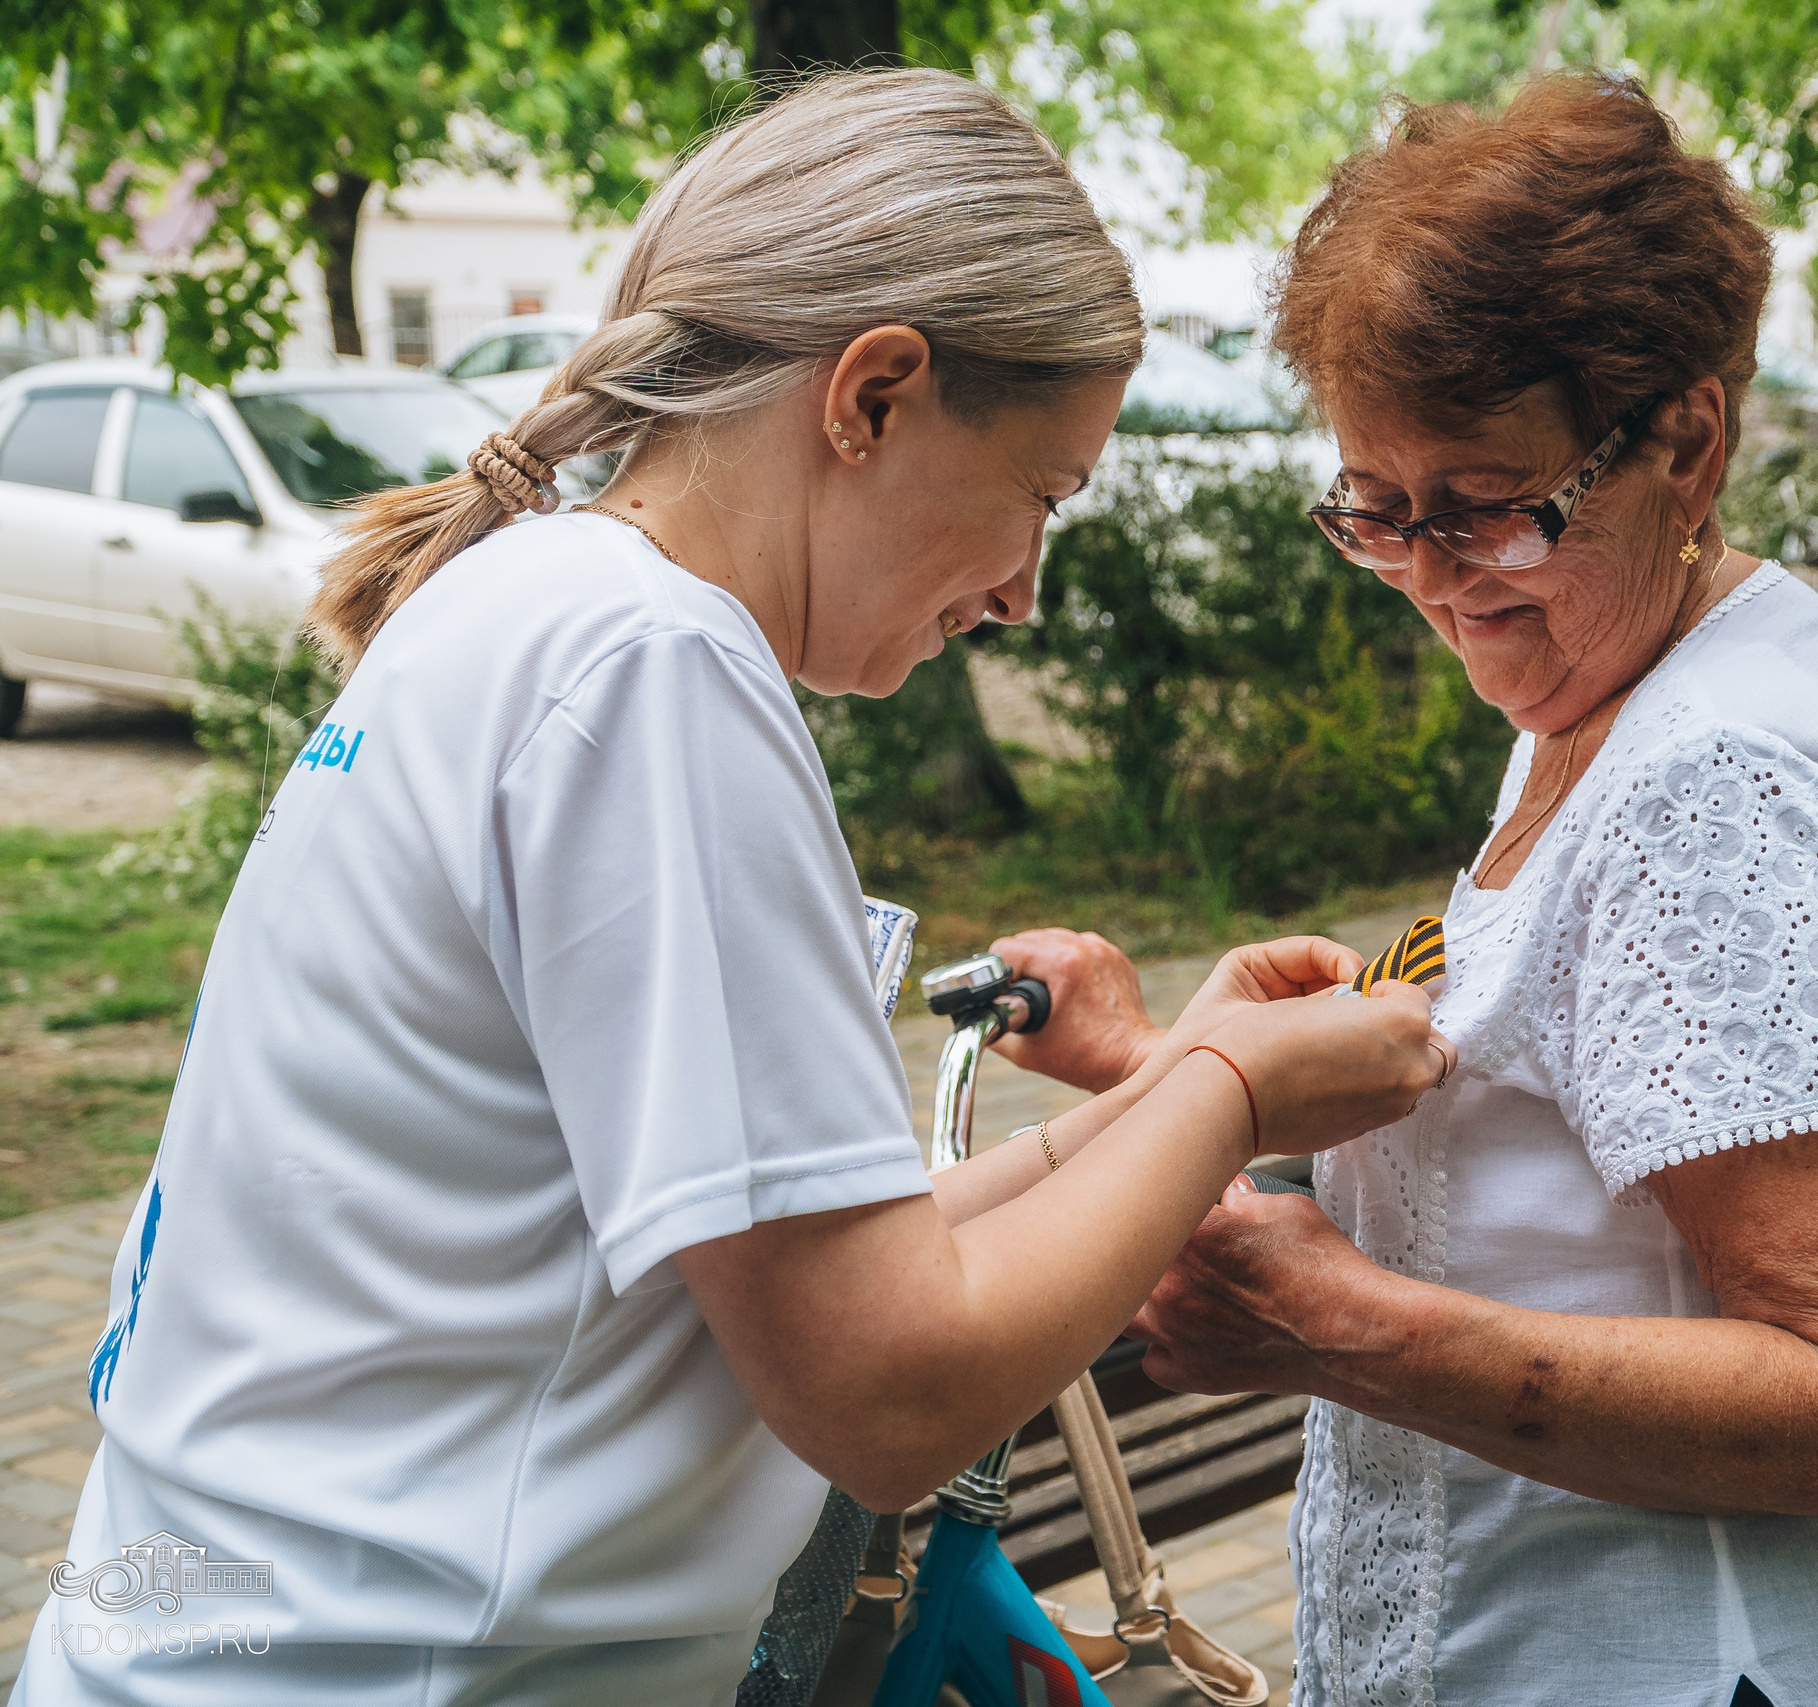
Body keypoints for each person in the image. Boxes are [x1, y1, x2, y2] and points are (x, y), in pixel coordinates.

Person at [18, 70, 1443, 1707]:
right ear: (876, 395)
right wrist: (1224, 1090)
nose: (1022, 598)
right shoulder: (652, 671)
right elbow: (885, 1391)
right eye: (1042, 497)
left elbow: (797, 1263)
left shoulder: (532, 613)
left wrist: (1141, 1107)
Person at [1000, 76, 1818, 1705]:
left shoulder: (1711, 784)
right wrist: (1171, 1072)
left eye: (1481, 508)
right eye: (1375, 511)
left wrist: (1339, 1335)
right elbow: (1564, 1177)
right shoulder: (1602, 683)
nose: (1432, 579)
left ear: (1688, 439)